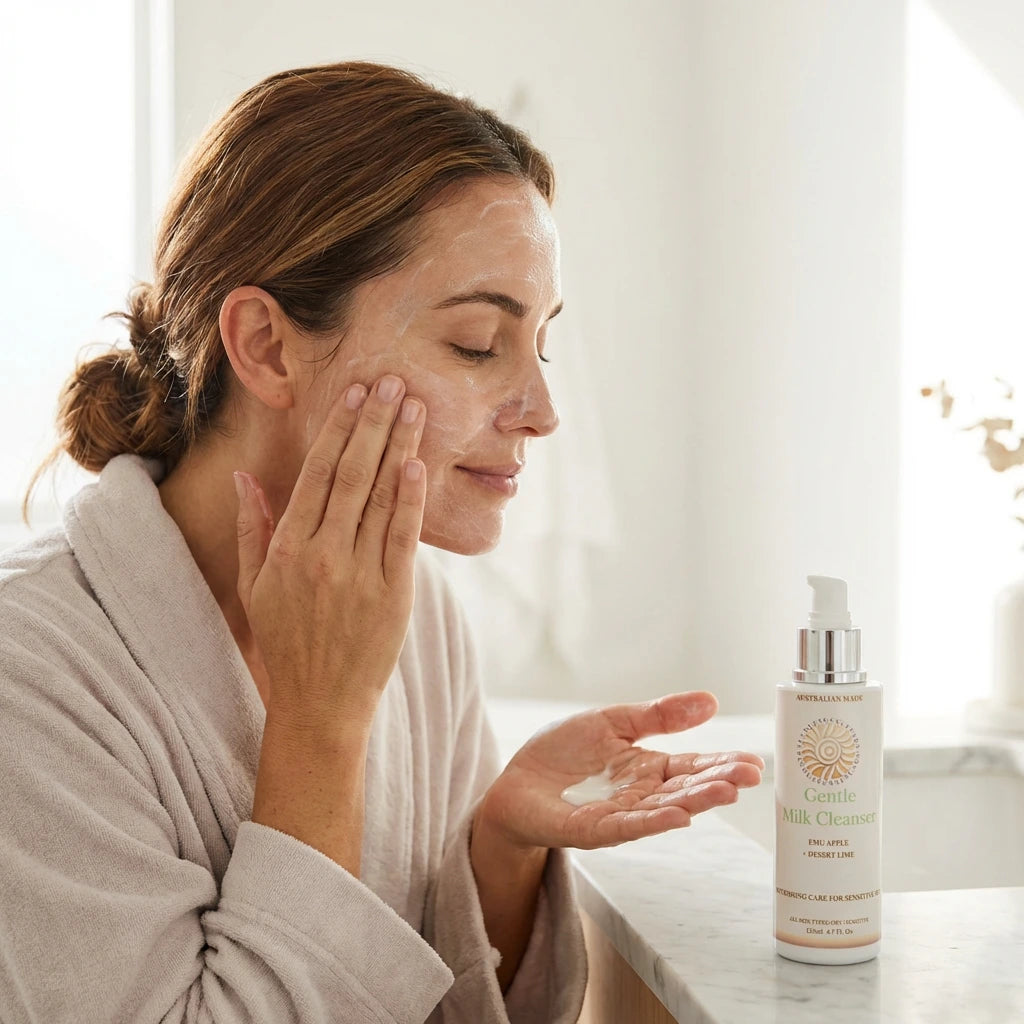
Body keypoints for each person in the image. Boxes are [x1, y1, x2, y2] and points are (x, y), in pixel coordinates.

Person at [0, 62, 764, 1023]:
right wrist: (319, 725)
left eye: (543, 344)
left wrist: (500, 845)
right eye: (479, 343)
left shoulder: (411, 608)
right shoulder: (29, 676)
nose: (543, 413)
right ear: (268, 346)